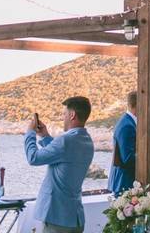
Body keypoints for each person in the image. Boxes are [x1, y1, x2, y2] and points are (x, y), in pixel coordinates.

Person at [25, 96, 95, 233]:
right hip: (75, 218)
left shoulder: (65, 140)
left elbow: (33, 158)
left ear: (72, 115)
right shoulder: (87, 141)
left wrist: (30, 133)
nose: (63, 118)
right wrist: (45, 136)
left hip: (57, 218)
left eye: (64, 114)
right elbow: (61, 156)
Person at [108, 91, 137, 195]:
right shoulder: (127, 126)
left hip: (126, 183)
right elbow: (128, 158)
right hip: (124, 184)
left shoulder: (129, 122)